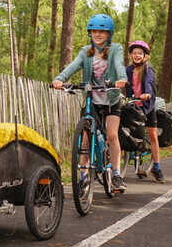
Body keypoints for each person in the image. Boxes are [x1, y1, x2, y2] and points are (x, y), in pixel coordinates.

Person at [52, 14, 128, 191]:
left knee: (112, 135)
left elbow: (119, 65)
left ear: (109, 34)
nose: (98, 34)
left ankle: (116, 174)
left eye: (102, 31)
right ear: (90, 33)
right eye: (94, 31)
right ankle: (84, 175)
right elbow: (73, 65)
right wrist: (59, 79)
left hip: (111, 99)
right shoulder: (86, 51)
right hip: (91, 100)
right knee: (85, 138)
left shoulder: (115, 49)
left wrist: (122, 79)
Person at [125, 41, 165, 182]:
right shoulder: (128, 70)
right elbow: (124, 84)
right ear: (130, 55)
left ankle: (157, 167)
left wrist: (147, 93)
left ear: (145, 56)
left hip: (147, 106)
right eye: (134, 53)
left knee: (152, 135)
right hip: (133, 105)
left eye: (140, 53)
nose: (137, 55)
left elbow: (149, 82)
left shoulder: (148, 69)